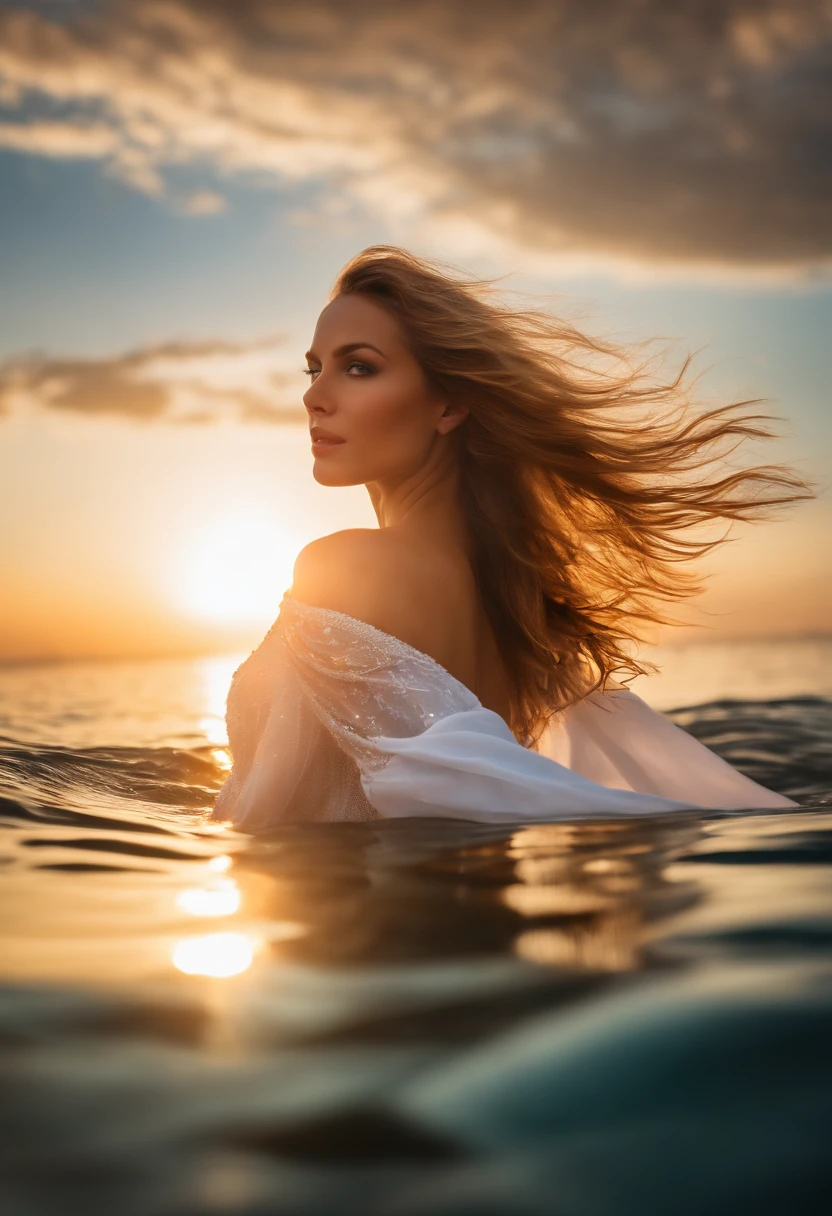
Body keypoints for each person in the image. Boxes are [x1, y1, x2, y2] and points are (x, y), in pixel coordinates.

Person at [212, 246, 807, 830]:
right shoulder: (510, 609)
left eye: (359, 367)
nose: (315, 397)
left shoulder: (344, 567)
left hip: (379, 923)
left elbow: (266, 810)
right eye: (315, 368)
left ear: (449, 406)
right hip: (490, 921)